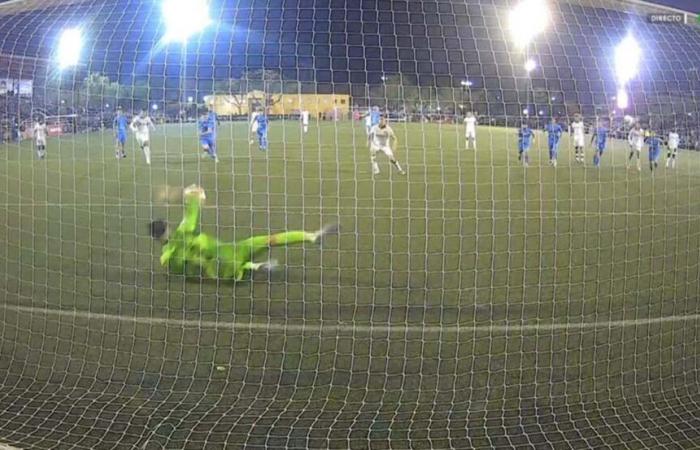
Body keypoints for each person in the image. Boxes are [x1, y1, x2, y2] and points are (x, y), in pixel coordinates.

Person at [150, 185, 339, 280]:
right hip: (231, 251)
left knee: (232, 267)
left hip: (220, 270)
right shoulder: (184, 231)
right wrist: (186, 193)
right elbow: (192, 209)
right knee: (268, 240)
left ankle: (256, 267)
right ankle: (311, 237)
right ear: (168, 226)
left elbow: (185, 272)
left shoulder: (166, 259)